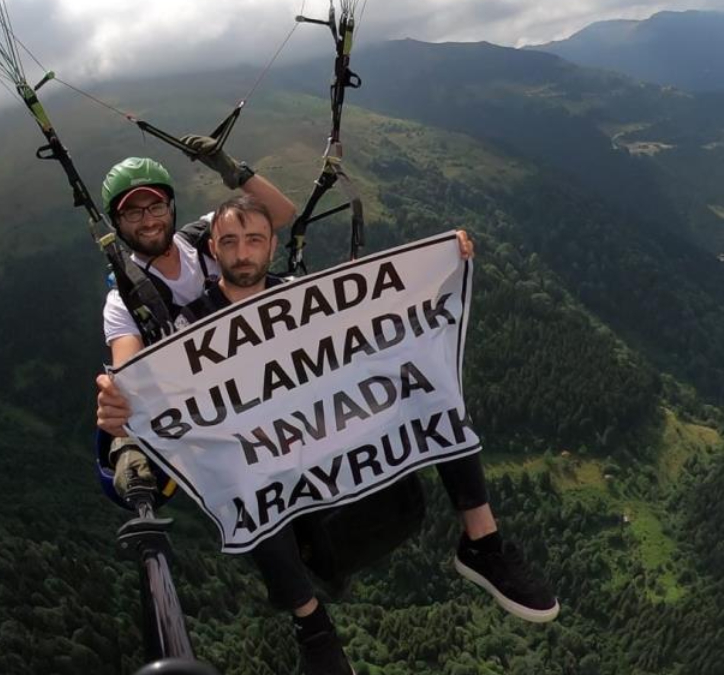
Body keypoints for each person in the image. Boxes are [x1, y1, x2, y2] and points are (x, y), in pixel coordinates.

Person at [97, 194, 559, 674]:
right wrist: (121, 407)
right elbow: (154, 398)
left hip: (330, 427)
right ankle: (313, 627)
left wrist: (445, 260)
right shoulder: (188, 330)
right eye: (229, 242)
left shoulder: (302, 295)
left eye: (254, 240)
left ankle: (483, 542)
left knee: (426, 379)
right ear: (213, 249)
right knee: (243, 486)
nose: (242, 253)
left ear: (271, 245)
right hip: (271, 455)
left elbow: (385, 322)